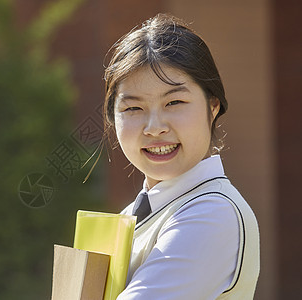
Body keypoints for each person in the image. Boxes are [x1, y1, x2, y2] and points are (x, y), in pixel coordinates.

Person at [103, 14, 260, 299]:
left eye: (174, 102)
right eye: (133, 108)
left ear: (213, 107)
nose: (154, 128)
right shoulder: (130, 217)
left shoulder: (212, 214)